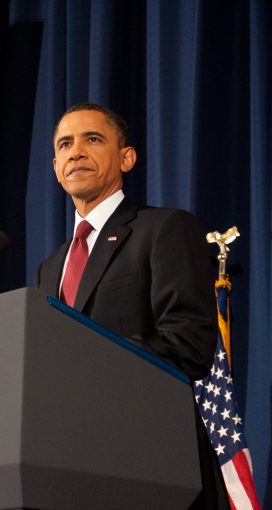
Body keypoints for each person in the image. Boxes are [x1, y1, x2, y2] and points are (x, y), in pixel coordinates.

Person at [36, 103, 228, 509]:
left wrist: (84, 363)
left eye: (93, 139)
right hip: (71, 468)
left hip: (152, 462)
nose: (76, 152)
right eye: (65, 144)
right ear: (55, 167)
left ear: (126, 158)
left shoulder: (164, 228)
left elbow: (189, 344)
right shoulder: (50, 267)